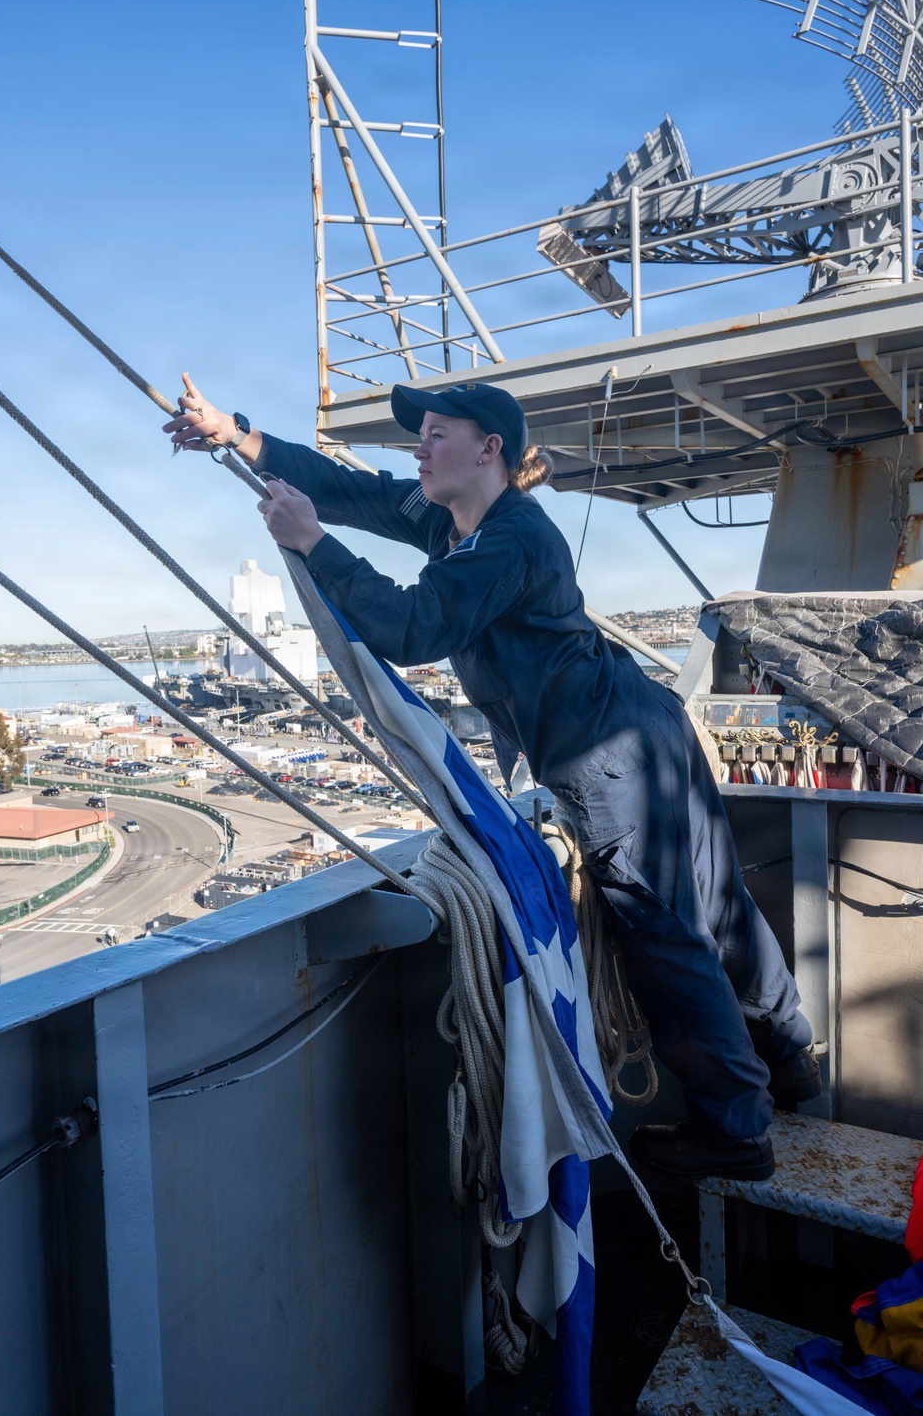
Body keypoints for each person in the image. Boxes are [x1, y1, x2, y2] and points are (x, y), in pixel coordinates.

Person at [165, 372, 819, 1182]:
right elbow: (345, 487)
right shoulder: (448, 523)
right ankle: (790, 1057)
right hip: (646, 723)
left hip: (604, 750)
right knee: (719, 901)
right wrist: (239, 435)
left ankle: (738, 1129)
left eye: (436, 433)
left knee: (667, 937)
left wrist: (311, 544)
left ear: (490, 449)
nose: (418, 448)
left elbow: (412, 626)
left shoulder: (511, 538)